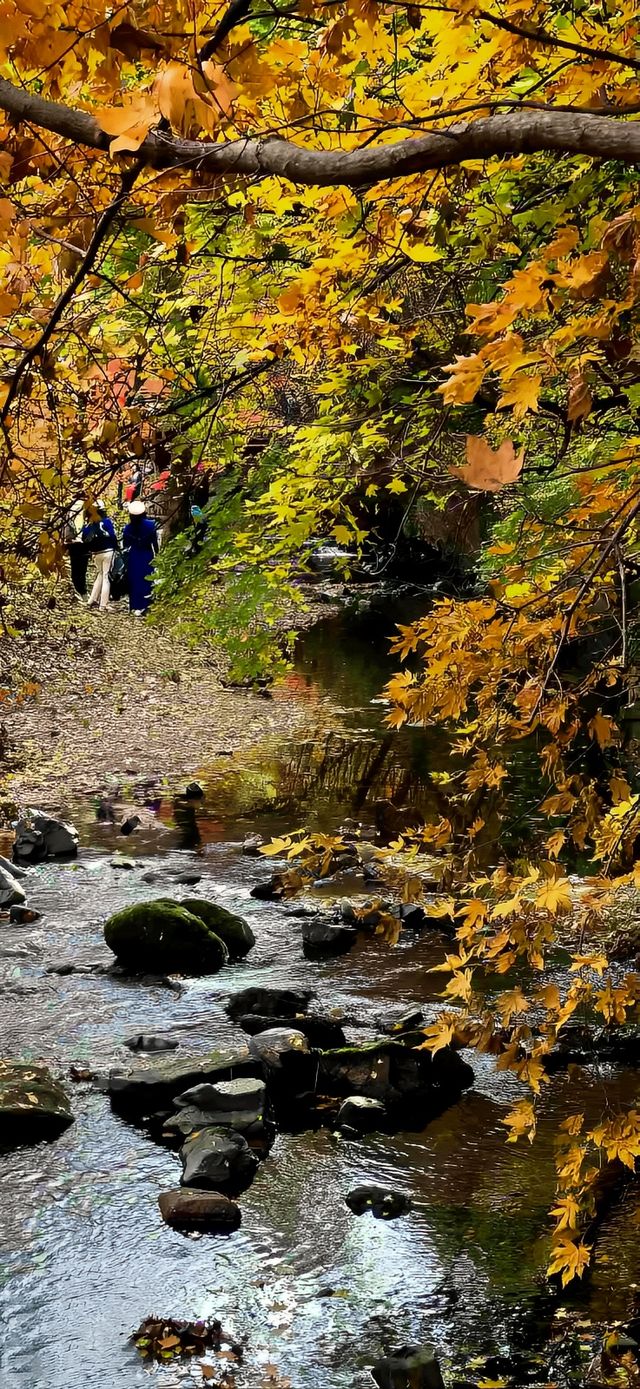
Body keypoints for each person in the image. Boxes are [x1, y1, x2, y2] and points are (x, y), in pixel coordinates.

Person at [123, 499, 159, 615]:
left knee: (134, 580)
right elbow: (154, 543)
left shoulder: (128, 528)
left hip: (134, 555)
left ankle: (135, 605)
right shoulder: (151, 525)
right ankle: (146, 604)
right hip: (147, 554)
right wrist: (157, 555)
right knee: (147, 579)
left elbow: (125, 544)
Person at [82, 501, 117, 610]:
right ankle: (103, 604)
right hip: (108, 551)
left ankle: (91, 600)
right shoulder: (106, 522)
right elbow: (112, 536)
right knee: (106, 576)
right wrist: (116, 547)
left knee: (100, 574)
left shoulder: (87, 526)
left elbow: (85, 540)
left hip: (96, 553)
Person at [64, 499, 88, 597]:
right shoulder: (86, 505)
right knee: (82, 567)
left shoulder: (69, 506)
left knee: (75, 566)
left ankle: (79, 589)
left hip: (72, 541)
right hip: (82, 542)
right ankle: (82, 590)